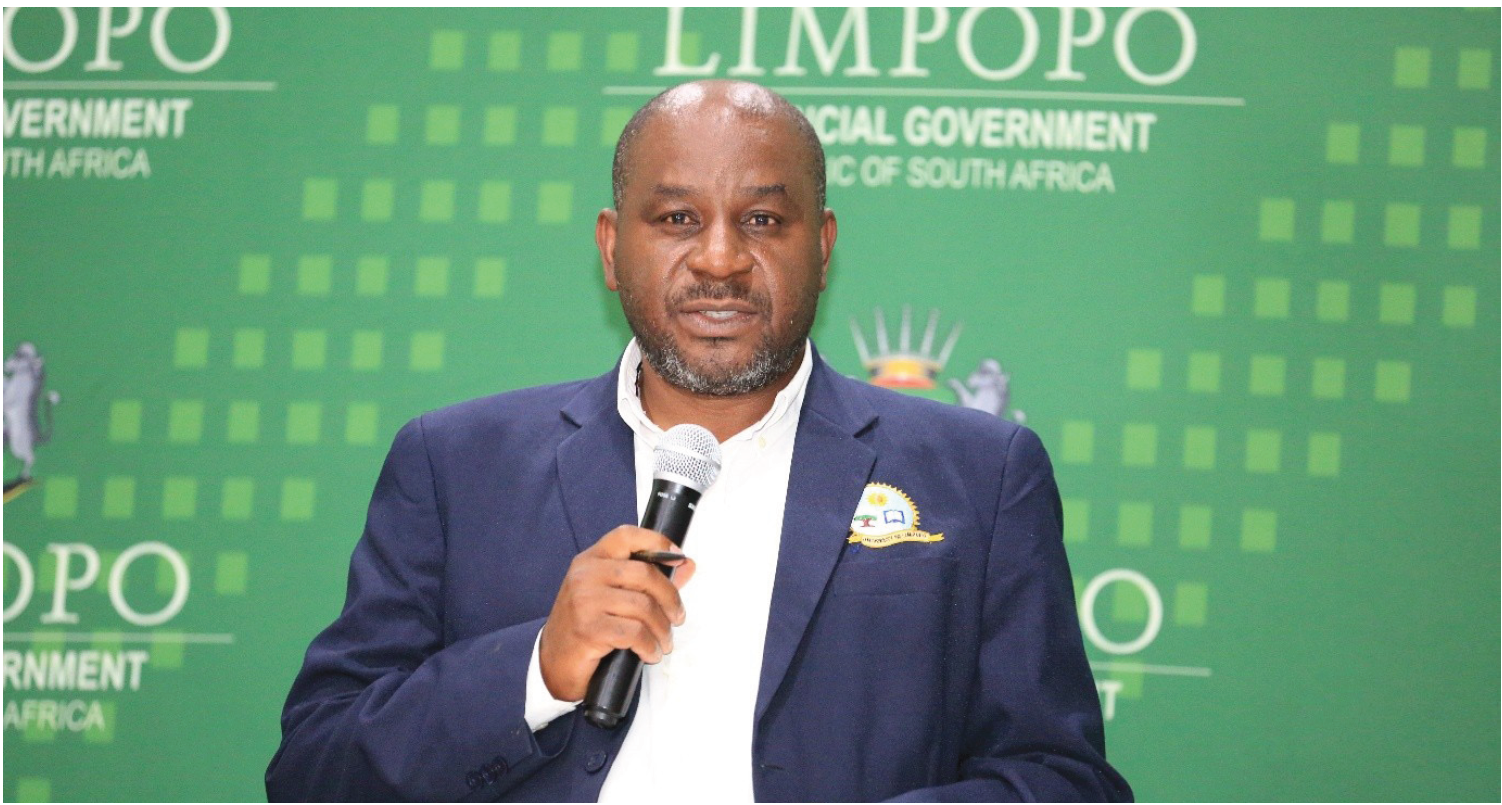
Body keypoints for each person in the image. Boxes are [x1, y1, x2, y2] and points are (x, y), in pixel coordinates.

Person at [266, 80, 1131, 803]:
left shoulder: (982, 475)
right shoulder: (456, 465)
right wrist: (535, 671)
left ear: (822, 246)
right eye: (678, 217)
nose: (720, 259)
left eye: (763, 220)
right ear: (613, 248)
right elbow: (314, 771)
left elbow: (1060, 779)